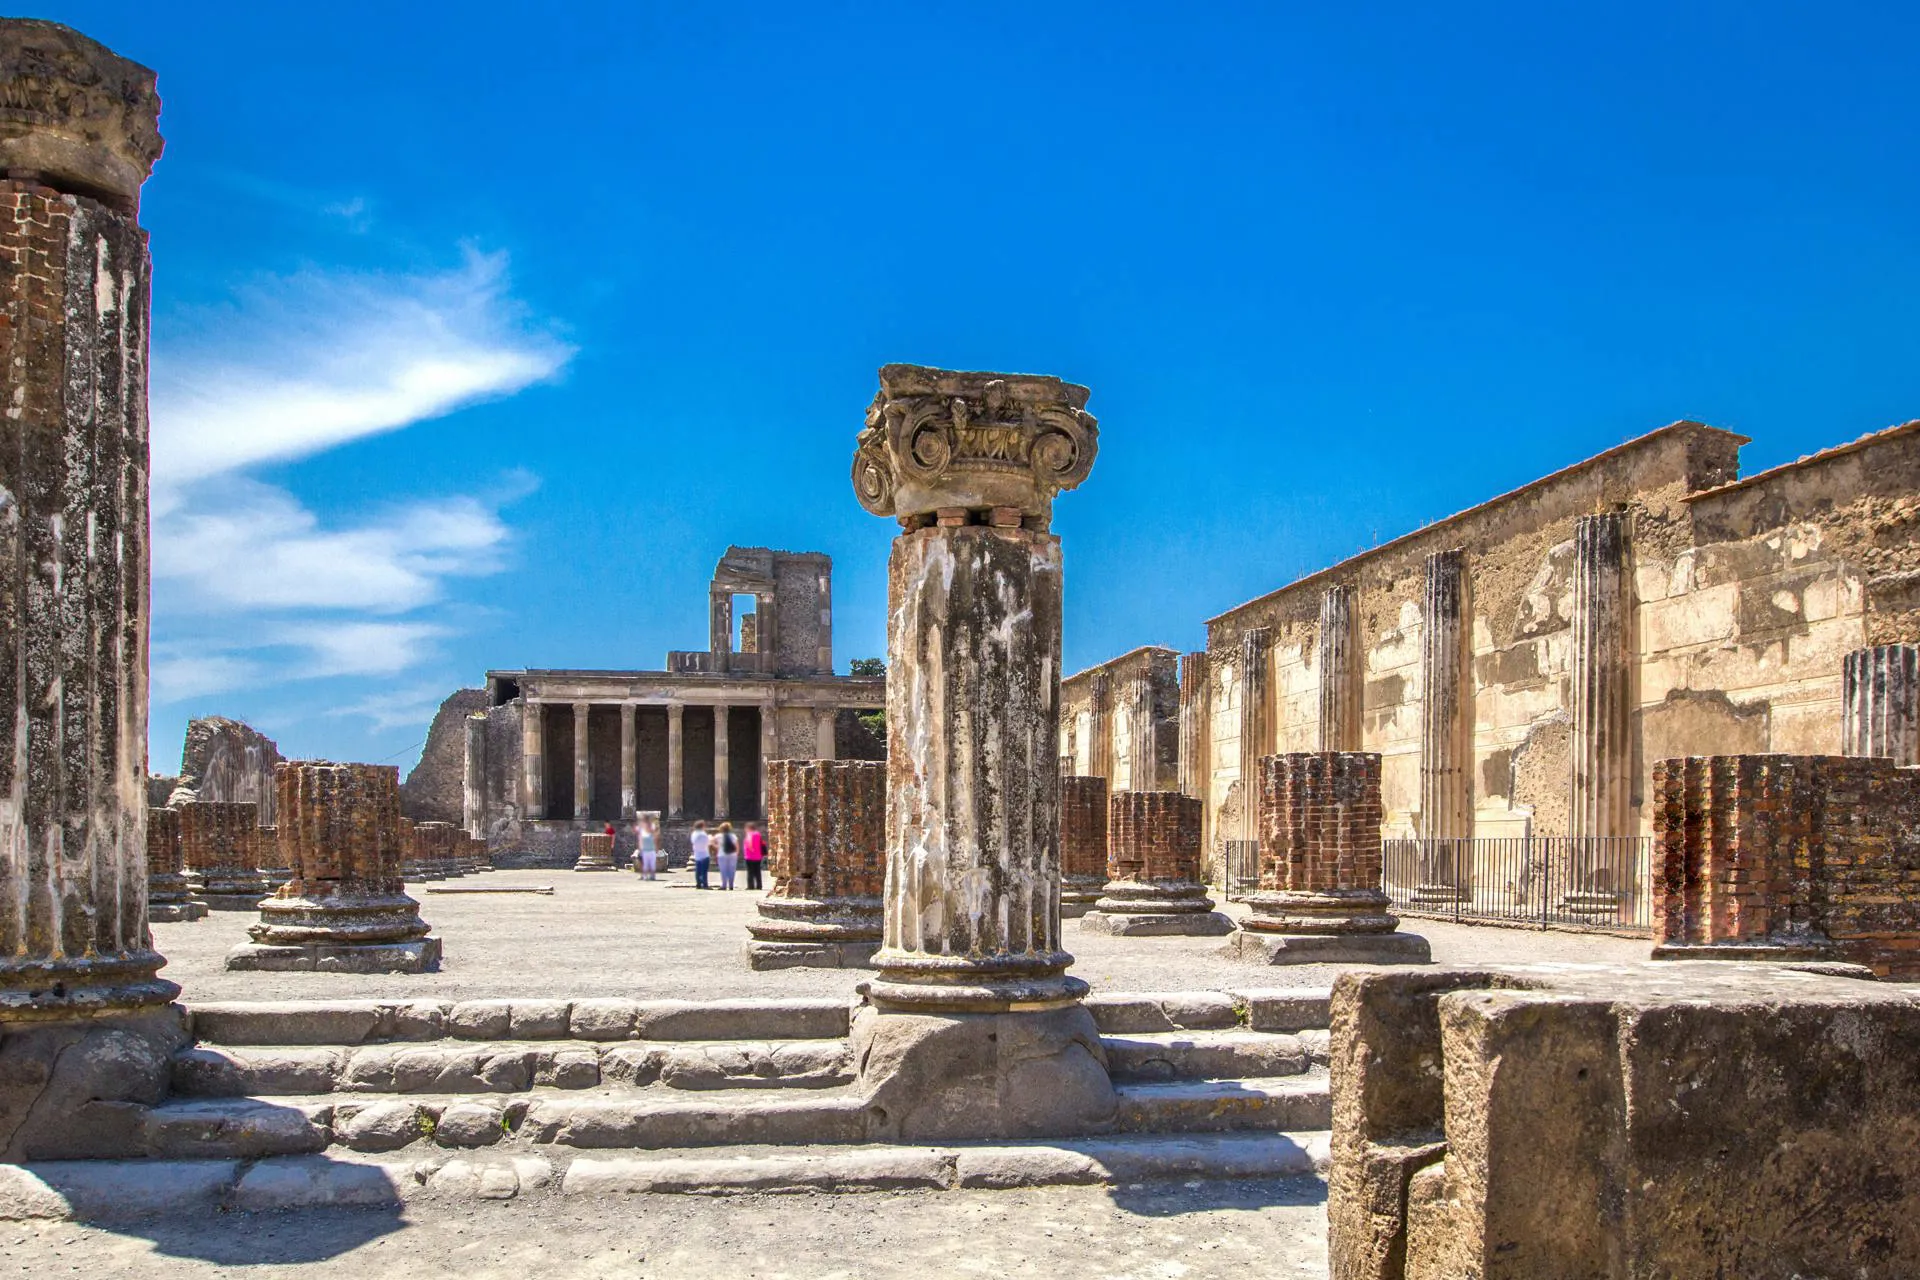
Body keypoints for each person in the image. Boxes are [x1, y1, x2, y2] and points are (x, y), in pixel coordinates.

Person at [742, 821, 766, 891]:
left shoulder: (749, 834)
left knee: (750, 872)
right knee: (757, 872)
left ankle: (751, 886)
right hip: (758, 856)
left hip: (750, 856)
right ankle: (759, 885)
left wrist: (751, 848)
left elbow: (749, 842)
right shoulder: (758, 834)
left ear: (748, 828)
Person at [715, 821, 738, 890]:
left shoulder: (718, 836)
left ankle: (724, 885)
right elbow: (737, 846)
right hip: (732, 855)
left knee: (723, 870)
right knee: (732, 870)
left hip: (722, 854)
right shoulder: (733, 836)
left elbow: (711, 842)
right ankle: (731, 885)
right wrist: (736, 853)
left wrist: (718, 847)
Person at [690, 820, 711, 889]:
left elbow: (693, 842)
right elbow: (707, 843)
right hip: (704, 854)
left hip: (697, 855)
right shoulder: (703, 834)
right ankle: (705, 884)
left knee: (698, 871)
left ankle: (698, 884)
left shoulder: (694, 834)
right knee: (704, 871)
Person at [636, 815, 659, 881]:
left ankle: (652, 876)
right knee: (645, 864)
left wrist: (656, 849)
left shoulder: (653, 830)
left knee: (652, 864)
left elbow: (656, 840)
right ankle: (644, 876)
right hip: (645, 850)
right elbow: (640, 841)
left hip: (652, 850)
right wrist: (640, 850)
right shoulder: (642, 831)